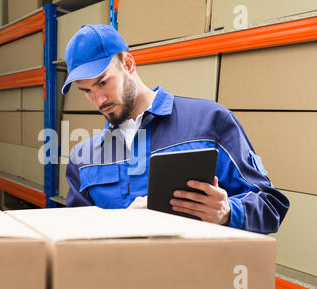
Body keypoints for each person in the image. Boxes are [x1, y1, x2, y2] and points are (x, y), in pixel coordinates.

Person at [61, 24, 289, 234]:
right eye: (86, 91)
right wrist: (121, 224)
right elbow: (76, 236)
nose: (99, 99)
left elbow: (271, 207)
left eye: (103, 82)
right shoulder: (84, 158)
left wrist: (228, 212)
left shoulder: (209, 121)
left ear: (128, 64)